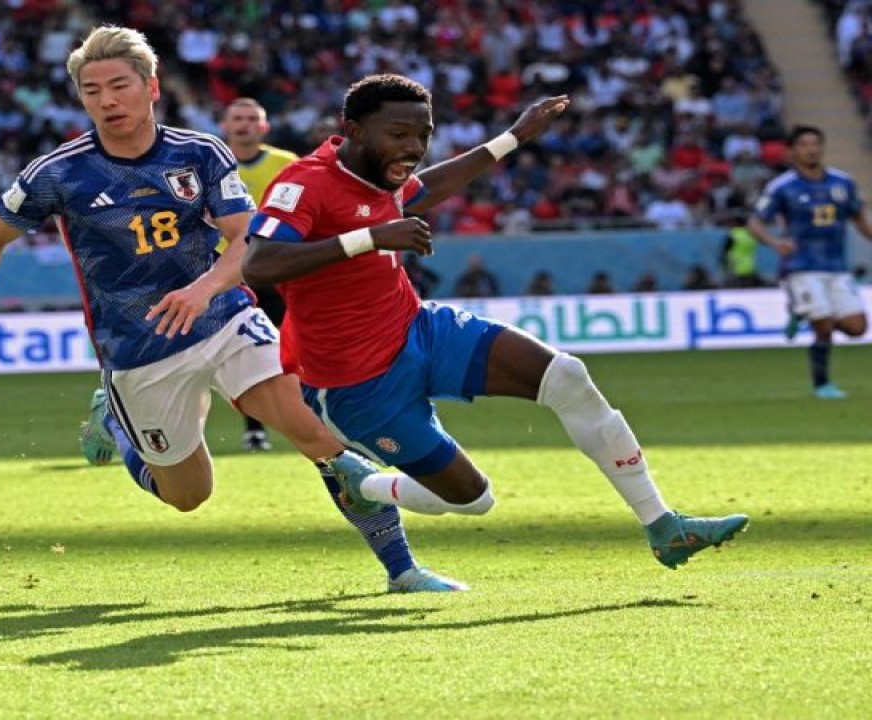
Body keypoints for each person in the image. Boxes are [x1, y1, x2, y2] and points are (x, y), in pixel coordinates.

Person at [0, 28, 458, 593]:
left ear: (151, 87)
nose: (107, 100)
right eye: (92, 91)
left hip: (225, 317)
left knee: (317, 434)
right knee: (188, 496)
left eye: (118, 85)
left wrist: (205, 288)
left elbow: (246, 241)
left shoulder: (200, 153)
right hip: (138, 348)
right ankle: (117, 421)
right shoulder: (58, 172)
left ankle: (401, 568)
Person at [243, 74, 748, 586]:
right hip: (357, 381)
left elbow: (428, 187)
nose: (414, 148)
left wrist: (513, 137)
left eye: (424, 134)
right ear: (352, 129)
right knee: (473, 499)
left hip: (421, 329)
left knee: (567, 376)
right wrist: (369, 238)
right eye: (399, 134)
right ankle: (367, 485)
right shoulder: (304, 183)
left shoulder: (385, 175)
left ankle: (664, 526)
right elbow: (258, 264)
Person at [747, 125, 871, 399]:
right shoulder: (782, 187)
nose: (811, 149)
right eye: (804, 144)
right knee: (823, 327)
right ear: (792, 151)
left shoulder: (843, 183)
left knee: (857, 328)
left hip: (837, 266)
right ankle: (822, 385)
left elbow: (859, 218)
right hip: (800, 266)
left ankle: (802, 312)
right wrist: (775, 242)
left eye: (816, 143)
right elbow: (755, 222)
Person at [220, 97, 299, 453]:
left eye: (252, 118)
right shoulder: (210, 163)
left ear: (264, 127)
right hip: (225, 275)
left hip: (276, 270)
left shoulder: (287, 165)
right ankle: (254, 429)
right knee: (240, 354)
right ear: (225, 125)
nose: (244, 124)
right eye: (237, 118)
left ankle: (315, 421)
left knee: (292, 350)